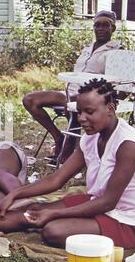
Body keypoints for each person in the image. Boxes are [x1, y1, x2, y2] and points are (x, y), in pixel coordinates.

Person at [0, 79, 135, 249]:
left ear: (110, 108)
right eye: (79, 112)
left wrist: (56, 214)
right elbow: (56, 179)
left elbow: (109, 201)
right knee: (32, 212)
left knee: (54, 231)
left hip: (134, 221)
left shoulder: (128, 145)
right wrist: (15, 194)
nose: (81, 118)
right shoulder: (91, 139)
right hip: (100, 203)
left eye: (89, 112)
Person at [23, 10, 123, 163]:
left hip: (91, 95)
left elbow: (115, 82)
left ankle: (68, 153)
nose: (101, 28)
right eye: (97, 25)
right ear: (94, 27)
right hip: (70, 91)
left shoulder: (116, 51)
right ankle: (59, 137)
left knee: (74, 106)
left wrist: (95, 95)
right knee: (30, 100)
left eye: (106, 25)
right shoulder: (87, 49)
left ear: (113, 29)